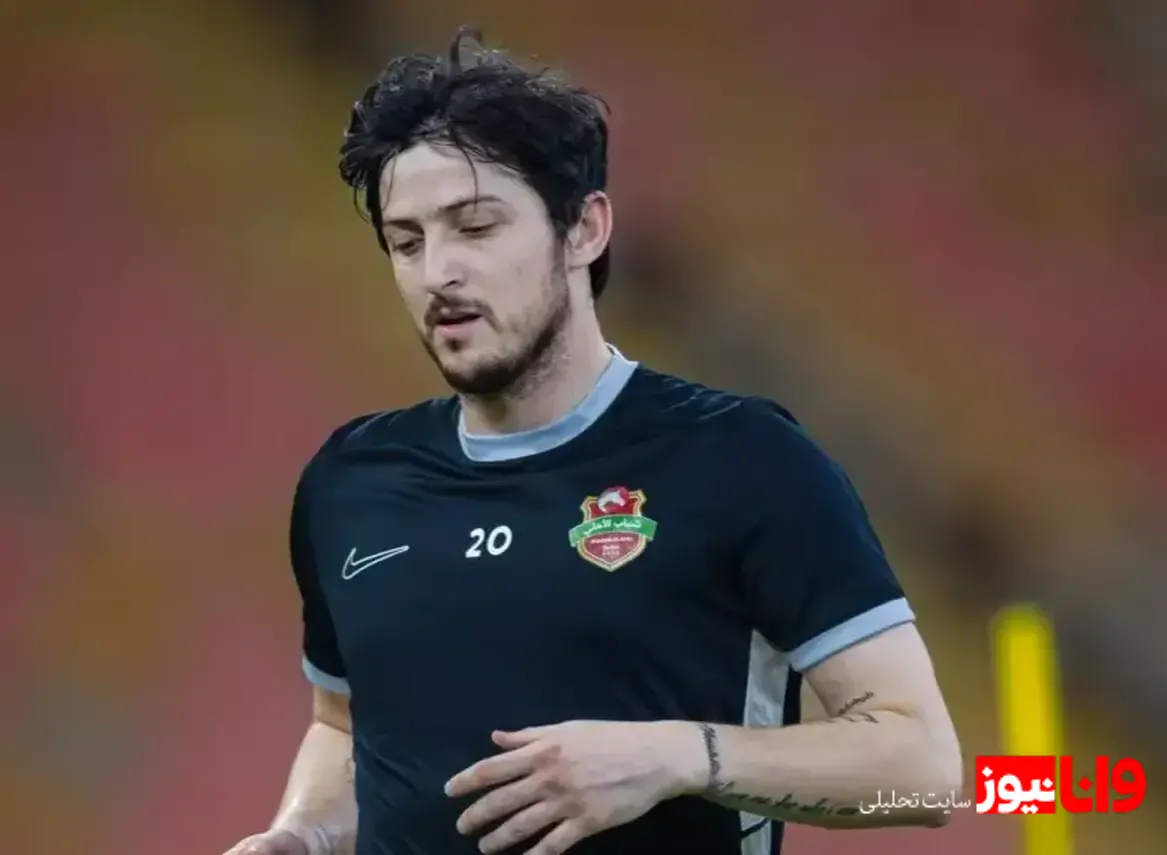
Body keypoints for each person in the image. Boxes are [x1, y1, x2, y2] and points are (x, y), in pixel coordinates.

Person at [222, 27, 962, 855]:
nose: (437, 273)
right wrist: (302, 835)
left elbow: (926, 771)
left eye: (475, 227)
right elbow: (346, 730)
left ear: (584, 229)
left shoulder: (743, 459)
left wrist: (678, 756)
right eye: (407, 242)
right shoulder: (350, 480)